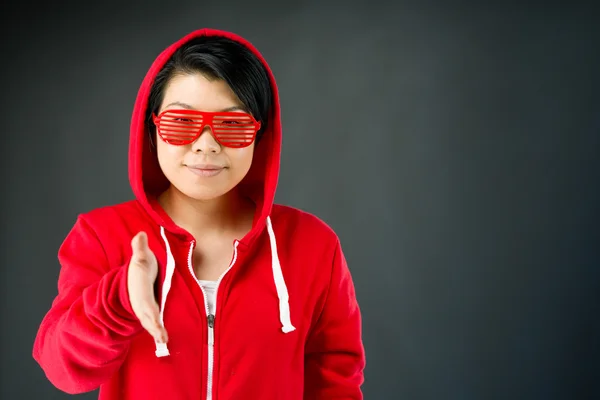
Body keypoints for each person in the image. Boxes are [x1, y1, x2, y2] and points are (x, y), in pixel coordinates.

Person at [32, 28, 365, 399]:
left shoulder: (312, 244)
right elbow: (62, 368)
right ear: (152, 129)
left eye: (233, 125)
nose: (206, 145)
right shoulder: (102, 235)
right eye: (181, 122)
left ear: (260, 135)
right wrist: (119, 298)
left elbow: (335, 381)